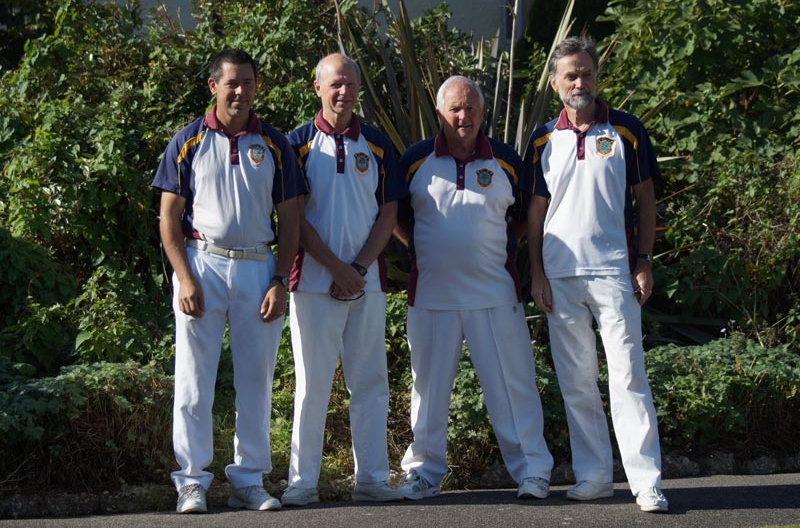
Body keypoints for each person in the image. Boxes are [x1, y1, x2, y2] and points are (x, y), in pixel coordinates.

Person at [152, 49, 306, 514]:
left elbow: (292, 220)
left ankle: (248, 480)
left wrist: (281, 279)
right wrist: (183, 276)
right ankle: (192, 481)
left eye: (248, 82)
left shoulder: (275, 144)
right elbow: (168, 217)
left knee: (255, 380)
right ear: (213, 87)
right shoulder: (187, 140)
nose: (240, 91)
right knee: (194, 380)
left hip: (260, 269)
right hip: (202, 265)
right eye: (232, 83)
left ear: (257, 87)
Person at [525, 35, 668, 513]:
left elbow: (645, 197)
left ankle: (646, 482)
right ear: (555, 83)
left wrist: (644, 259)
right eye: (570, 75)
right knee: (577, 380)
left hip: (614, 272)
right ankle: (594, 477)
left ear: (596, 77)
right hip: (560, 276)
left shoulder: (626, 131)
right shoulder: (543, 138)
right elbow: (535, 210)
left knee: (628, 377)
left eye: (586, 73)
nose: (579, 82)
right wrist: (537, 274)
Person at [394, 75, 554, 501]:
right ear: (440, 113)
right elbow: (393, 216)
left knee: (514, 387)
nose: (464, 116)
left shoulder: (505, 160)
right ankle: (423, 474)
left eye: (472, 108)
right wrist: (426, 249)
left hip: (496, 296)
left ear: (483, 113)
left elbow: (524, 217)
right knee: (426, 393)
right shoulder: (414, 160)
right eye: (455, 109)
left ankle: (533, 471)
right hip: (430, 298)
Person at [280, 53, 406, 507]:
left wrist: (357, 270)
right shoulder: (294, 144)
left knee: (370, 381)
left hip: (366, 284)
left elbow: (388, 211)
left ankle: (371, 479)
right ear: (317, 88)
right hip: (313, 283)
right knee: (312, 385)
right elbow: (292, 216)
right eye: (335, 84)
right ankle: (302, 483)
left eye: (351, 84)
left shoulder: (375, 143)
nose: (344, 92)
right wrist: (335, 268)